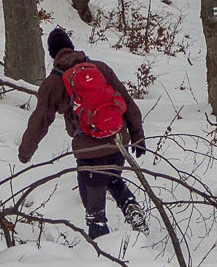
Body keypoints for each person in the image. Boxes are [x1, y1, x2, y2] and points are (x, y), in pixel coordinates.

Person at [17, 28, 150, 241]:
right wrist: (138, 135)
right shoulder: (99, 68)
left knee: (93, 208)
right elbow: (126, 101)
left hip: (89, 151)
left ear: (52, 54)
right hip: (117, 140)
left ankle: (102, 255)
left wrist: (25, 152)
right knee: (113, 178)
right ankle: (130, 205)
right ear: (71, 45)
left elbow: (40, 120)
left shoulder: (53, 83)